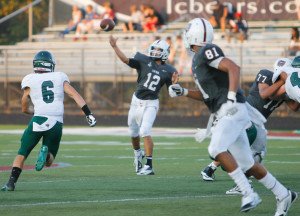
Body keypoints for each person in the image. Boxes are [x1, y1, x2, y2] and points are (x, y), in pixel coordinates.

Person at [168, 18, 298, 215]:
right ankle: (284, 194)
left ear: (193, 35)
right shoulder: (198, 60)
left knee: (216, 148)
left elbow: (233, 68)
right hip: (227, 108)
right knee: (247, 163)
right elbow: (208, 96)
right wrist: (184, 91)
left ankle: (248, 193)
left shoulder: (205, 51)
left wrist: (230, 98)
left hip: (233, 108)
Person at [201, 58, 300, 195]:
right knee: (235, 148)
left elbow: (294, 107)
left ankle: (236, 181)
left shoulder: (283, 88)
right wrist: (282, 82)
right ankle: (213, 168)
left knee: (257, 154)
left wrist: (294, 92)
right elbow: (264, 93)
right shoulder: (266, 74)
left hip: (259, 122)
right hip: (246, 115)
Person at [1, 51, 96, 191]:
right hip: (55, 122)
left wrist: (35, 111)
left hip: (37, 119)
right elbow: (74, 94)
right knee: (50, 161)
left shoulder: (30, 79)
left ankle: (11, 183)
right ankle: (45, 155)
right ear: (50, 65)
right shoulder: (59, 77)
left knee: (22, 153)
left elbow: (24, 106)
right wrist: (88, 113)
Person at [109, 35, 178, 175]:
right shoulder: (143, 59)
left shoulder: (170, 70)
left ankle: (149, 165)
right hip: (136, 101)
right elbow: (125, 60)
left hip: (151, 103)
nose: (155, 51)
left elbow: (172, 94)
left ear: (165, 52)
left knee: (145, 131)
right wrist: (115, 46)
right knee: (133, 133)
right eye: (154, 48)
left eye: (159, 49)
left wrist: (175, 85)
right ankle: (137, 154)